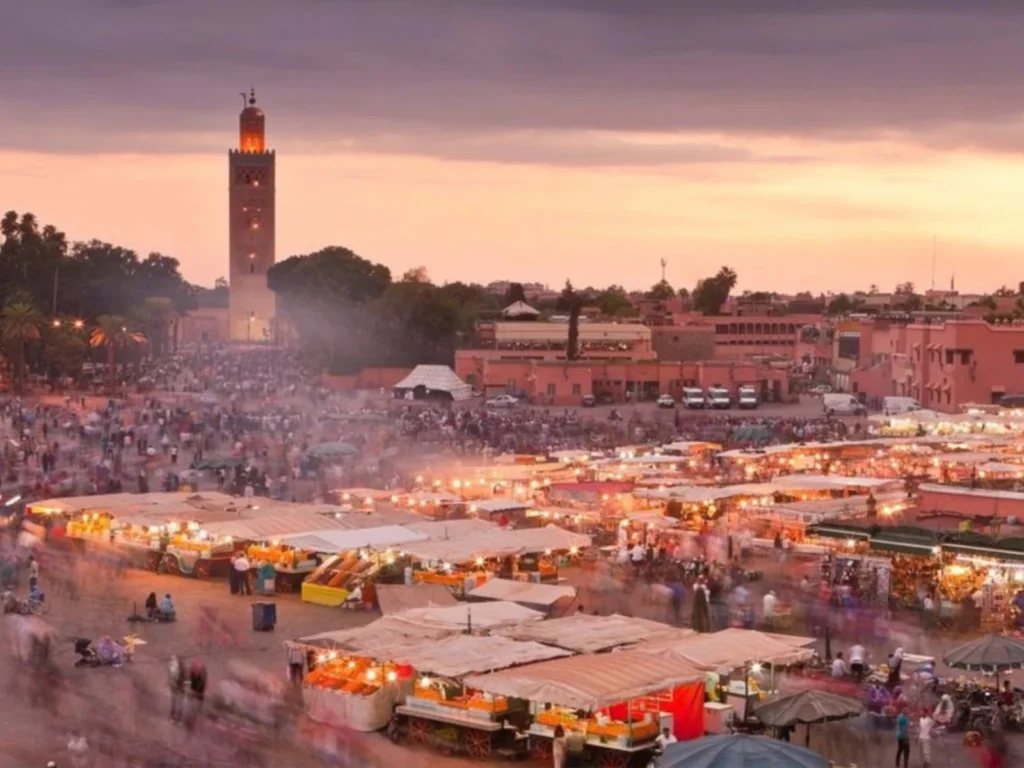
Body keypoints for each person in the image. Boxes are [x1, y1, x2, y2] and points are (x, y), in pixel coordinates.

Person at [168, 655, 186, 722]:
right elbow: (170, 678)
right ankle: (172, 717)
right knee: (173, 703)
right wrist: (171, 684)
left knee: (180, 705)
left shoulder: (182, 669)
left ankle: (178, 718)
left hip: (180, 689)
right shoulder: (171, 667)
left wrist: (184, 686)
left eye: (175, 660)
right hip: (174, 688)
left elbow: (185, 679)